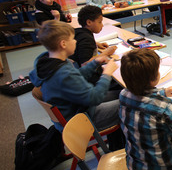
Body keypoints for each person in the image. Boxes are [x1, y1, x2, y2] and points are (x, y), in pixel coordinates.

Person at [29, 21, 124, 150]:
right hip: (81, 119)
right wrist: (106, 74)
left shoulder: (49, 62)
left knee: (121, 93)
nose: (75, 42)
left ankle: (117, 144)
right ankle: (121, 149)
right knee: (129, 101)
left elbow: (76, 77)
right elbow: (95, 98)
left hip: (76, 110)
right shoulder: (62, 73)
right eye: (72, 39)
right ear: (63, 44)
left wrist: (94, 62)